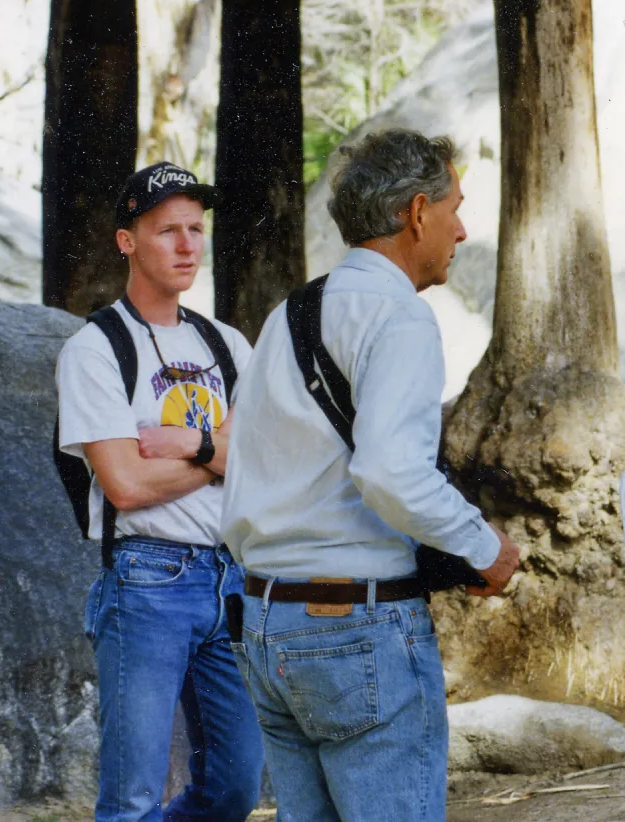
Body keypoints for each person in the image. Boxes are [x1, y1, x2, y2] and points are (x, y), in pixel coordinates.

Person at [221, 128, 521, 822]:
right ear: (417, 212)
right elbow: (389, 469)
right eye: (455, 206)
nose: (463, 229)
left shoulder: (287, 316)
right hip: (358, 620)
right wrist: (484, 548)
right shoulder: (400, 317)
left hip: (269, 622)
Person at [55, 162, 264, 822]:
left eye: (196, 230)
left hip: (228, 578)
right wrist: (221, 447)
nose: (187, 246)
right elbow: (125, 483)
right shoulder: (95, 349)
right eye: (167, 230)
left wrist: (187, 443)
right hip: (147, 582)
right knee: (133, 797)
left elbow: (269, 462)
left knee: (235, 786)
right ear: (127, 241)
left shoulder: (227, 345)